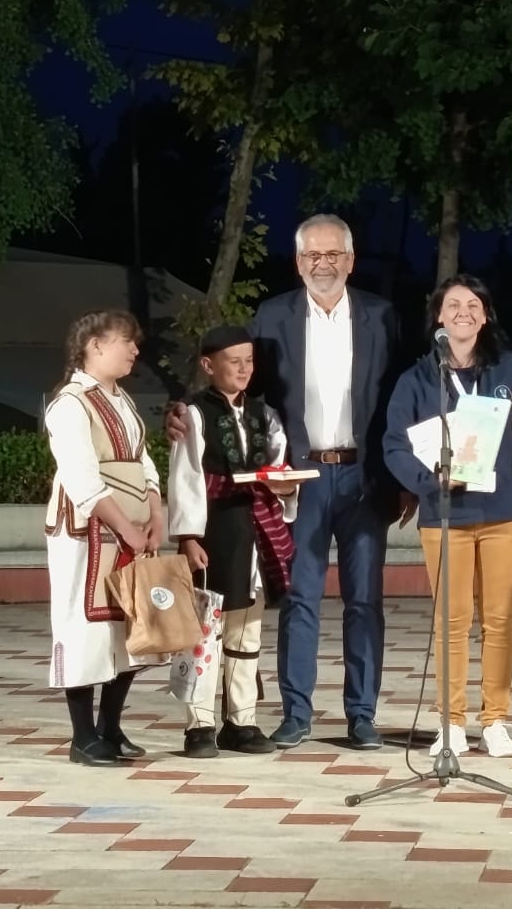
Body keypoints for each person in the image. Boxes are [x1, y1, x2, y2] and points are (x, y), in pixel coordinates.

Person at [166, 214, 410, 751]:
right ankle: (296, 714)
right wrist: (181, 408)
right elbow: (237, 382)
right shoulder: (274, 315)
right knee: (299, 598)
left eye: (333, 254)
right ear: (298, 262)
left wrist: (406, 475)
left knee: (365, 601)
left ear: (350, 260)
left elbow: (402, 393)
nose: (323, 264)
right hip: (297, 479)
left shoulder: (382, 315)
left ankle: (362, 716)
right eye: (312, 255)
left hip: (365, 477)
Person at [383, 276, 512, 759]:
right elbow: (394, 445)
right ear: (439, 317)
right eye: (453, 305)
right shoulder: (416, 380)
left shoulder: (507, 367)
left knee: (499, 620)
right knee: (451, 622)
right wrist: (427, 481)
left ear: (485, 316)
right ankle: (450, 723)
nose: (463, 312)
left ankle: (496, 721)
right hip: (444, 512)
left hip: (504, 510)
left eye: (473, 304)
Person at [166, 325, 301, 758]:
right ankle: (200, 725)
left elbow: (279, 466)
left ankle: (241, 720)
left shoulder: (265, 414)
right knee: (205, 628)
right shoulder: (193, 413)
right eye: (234, 361)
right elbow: (186, 476)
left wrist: (286, 487)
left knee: (246, 632)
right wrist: (188, 537)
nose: (243, 369)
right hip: (215, 530)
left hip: (256, 528)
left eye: (249, 361)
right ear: (209, 365)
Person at [43, 309, 163, 766]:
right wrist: (125, 526)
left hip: (130, 526)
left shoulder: (122, 399)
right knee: (84, 625)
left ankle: (110, 727)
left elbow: (143, 461)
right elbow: (82, 477)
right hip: (86, 531)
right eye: (125, 341)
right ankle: (83, 736)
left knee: (128, 623)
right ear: (94, 345)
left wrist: (155, 514)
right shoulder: (70, 403)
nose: (135, 349)